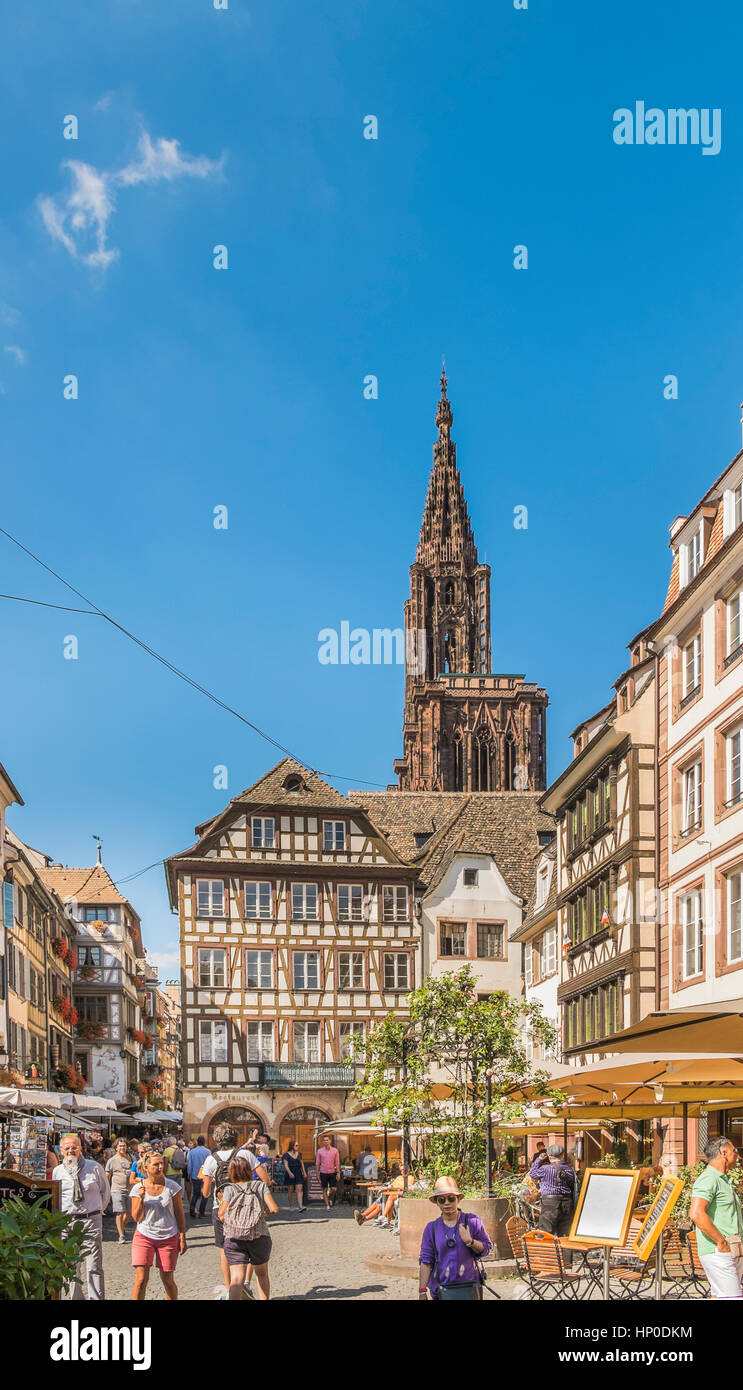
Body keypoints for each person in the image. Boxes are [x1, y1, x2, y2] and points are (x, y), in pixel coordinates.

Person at [201, 1122, 270, 1294]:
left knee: (225, 1251)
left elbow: (205, 1192)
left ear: (215, 1139)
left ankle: (230, 1287)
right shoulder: (244, 1153)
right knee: (251, 1242)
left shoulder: (211, 1159)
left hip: (221, 1209)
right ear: (235, 1137)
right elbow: (265, 1180)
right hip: (247, 1207)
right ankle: (246, 1282)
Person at [53, 1132, 111, 1301]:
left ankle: (96, 1298)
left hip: (91, 1220)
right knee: (70, 1264)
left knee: (94, 1264)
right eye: (67, 1148)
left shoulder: (94, 1167)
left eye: (74, 1147)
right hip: (67, 1221)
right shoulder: (57, 1171)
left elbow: (104, 1193)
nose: (71, 1150)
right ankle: (75, 1297)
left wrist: (96, 1211)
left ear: (81, 1149)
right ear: (61, 1151)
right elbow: (56, 1196)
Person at [418, 1176, 492, 1300]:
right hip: (442, 1290)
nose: (447, 1203)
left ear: (458, 1199)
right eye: (442, 1200)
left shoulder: (472, 1222)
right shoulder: (431, 1228)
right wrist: (422, 1291)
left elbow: (487, 1248)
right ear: (437, 1202)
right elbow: (426, 1261)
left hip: (469, 1288)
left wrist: (470, 1241)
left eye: (451, 1198)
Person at [218, 1155, 279, 1300]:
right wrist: (261, 1214)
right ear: (249, 1170)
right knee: (262, 1274)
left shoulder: (229, 1189)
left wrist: (222, 1203)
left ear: (231, 1172)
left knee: (237, 1278)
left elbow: (221, 1215)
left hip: (234, 1237)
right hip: (259, 1235)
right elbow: (274, 1209)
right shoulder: (260, 1186)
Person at [690, 1136, 743, 1299]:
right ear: (724, 1152)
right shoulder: (709, 1178)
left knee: (720, 1296)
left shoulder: (722, 1180)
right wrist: (721, 1242)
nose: (738, 1156)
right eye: (735, 1151)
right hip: (718, 1250)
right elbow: (696, 1213)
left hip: (729, 1248)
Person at [130, 1151, 187, 1300]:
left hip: (168, 1236)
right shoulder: (138, 1188)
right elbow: (136, 1217)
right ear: (146, 1167)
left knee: (168, 1280)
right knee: (141, 1280)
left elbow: (179, 1213)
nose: (161, 1166)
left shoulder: (172, 1187)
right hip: (144, 1235)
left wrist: (182, 1236)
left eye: (162, 1163)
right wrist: (141, 1199)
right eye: (156, 1164)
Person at [529, 1143, 576, 1237]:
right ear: (563, 1155)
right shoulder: (570, 1170)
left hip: (550, 1204)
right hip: (567, 1203)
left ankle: (546, 1252)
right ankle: (566, 1252)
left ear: (549, 1157)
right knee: (565, 1235)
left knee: (545, 1234)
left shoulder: (545, 1169)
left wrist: (539, 1159)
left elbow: (533, 1174)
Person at [355, 1169, 427, 1229]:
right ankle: (363, 1216)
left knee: (382, 1203)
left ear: (408, 1170)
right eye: (401, 1170)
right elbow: (393, 1185)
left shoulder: (410, 1177)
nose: (402, 1171)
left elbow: (407, 1187)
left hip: (398, 1194)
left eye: (404, 1170)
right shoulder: (399, 1177)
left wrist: (398, 1187)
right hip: (392, 1192)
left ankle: (369, 1217)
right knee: (378, 1203)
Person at [106, 1138, 133, 1243]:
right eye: (120, 1146)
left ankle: (121, 1227)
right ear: (116, 1147)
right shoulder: (112, 1160)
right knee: (120, 1212)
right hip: (117, 1189)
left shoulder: (131, 1157)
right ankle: (121, 1235)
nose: (122, 1148)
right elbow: (107, 1175)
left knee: (130, 1213)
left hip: (130, 1189)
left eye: (124, 1146)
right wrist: (106, 1190)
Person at [187, 1134, 211, 1219]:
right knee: (205, 1194)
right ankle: (201, 1212)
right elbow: (210, 1164)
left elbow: (189, 1165)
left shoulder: (192, 1151)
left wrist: (189, 1175)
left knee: (195, 1194)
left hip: (195, 1175)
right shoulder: (208, 1151)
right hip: (205, 1176)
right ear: (204, 1142)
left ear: (197, 1142)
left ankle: (192, 1207)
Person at [315, 1134, 341, 1209]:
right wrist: (317, 1174)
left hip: (332, 1172)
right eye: (324, 1140)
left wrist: (338, 1173)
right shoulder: (319, 1151)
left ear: (330, 1141)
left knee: (334, 1189)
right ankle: (327, 1205)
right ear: (322, 1142)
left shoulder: (335, 1150)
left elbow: (337, 1162)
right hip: (323, 1172)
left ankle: (328, 1198)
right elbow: (317, 1163)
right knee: (324, 1189)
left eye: (327, 1140)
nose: (325, 1141)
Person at [282, 1141, 307, 1211]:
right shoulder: (286, 1155)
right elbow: (286, 1165)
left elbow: (302, 1164)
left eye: (298, 1145)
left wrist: (304, 1173)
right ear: (292, 1146)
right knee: (291, 1190)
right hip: (290, 1172)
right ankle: (291, 1206)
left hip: (298, 1172)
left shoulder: (299, 1154)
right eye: (296, 1145)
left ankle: (300, 1206)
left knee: (299, 1189)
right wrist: (290, 1173)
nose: (298, 1147)